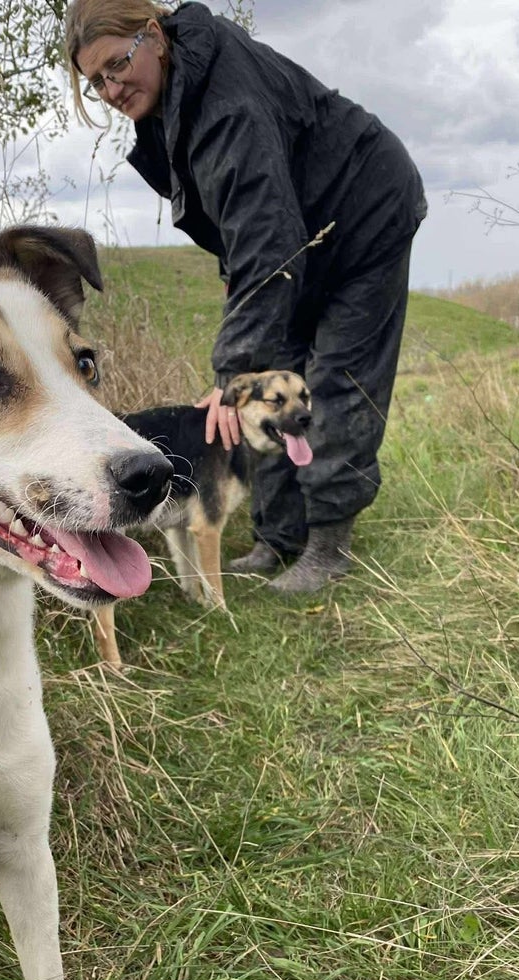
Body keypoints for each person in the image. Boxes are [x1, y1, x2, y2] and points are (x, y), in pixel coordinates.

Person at [64, 0, 427, 592]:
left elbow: (265, 230)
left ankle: (328, 546)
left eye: (116, 65)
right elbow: (242, 224)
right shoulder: (172, 103)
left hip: (363, 219)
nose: (109, 88)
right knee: (269, 388)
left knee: (336, 376)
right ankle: (276, 539)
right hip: (299, 240)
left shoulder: (226, 102)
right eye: (95, 80)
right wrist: (239, 288)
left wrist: (232, 370)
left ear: (153, 35)